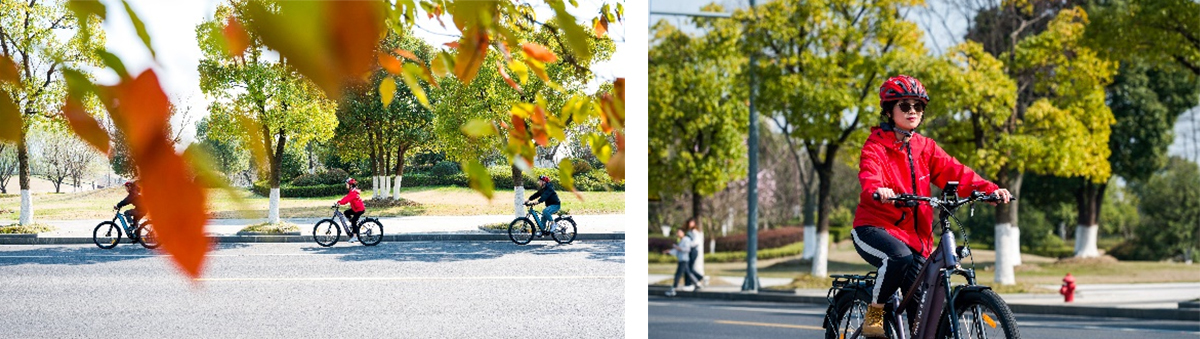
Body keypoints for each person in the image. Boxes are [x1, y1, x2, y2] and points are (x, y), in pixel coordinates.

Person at [854, 74, 1012, 337]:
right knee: (898, 257)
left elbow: (957, 172)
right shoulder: (876, 146)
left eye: (918, 106)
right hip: (874, 229)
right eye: (905, 106)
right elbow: (870, 174)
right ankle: (875, 313)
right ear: (889, 111)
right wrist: (877, 190)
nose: (912, 111)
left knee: (923, 319)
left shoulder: (925, 147)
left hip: (917, 240)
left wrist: (990, 189)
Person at [663, 227, 700, 297]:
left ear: (683, 232)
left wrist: (677, 248)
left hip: (684, 259)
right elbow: (676, 251)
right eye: (677, 232)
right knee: (688, 272)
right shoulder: (681, 240)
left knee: (678, 274)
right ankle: (697, 283)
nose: (678, 234)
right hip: (681, 259)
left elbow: (687, 249)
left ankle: (673, 289)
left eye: (679, 232)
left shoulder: (686, 239)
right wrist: (669, 251)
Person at [335, 178, 366, 243]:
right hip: (355, 208)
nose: (346, 185)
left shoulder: (353, 192)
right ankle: (353, 225)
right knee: (346, 213)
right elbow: (346, 197)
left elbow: (346, 200)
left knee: (354, 220)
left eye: (347, 184)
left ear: (350, 185)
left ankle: (355, 237)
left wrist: (339, 203)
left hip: (359, 209)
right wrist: (339, 202)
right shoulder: (352, 191)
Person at [685, 218, 706, 286]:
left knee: (689, 268)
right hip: (690, 250)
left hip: (693, 250)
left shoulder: (695, 231)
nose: (689, 224)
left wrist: (688, 244)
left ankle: (693, 282)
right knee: (689, 268)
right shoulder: (690, 231)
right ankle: (699, 278)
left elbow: (696, 242)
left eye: (691, 223)